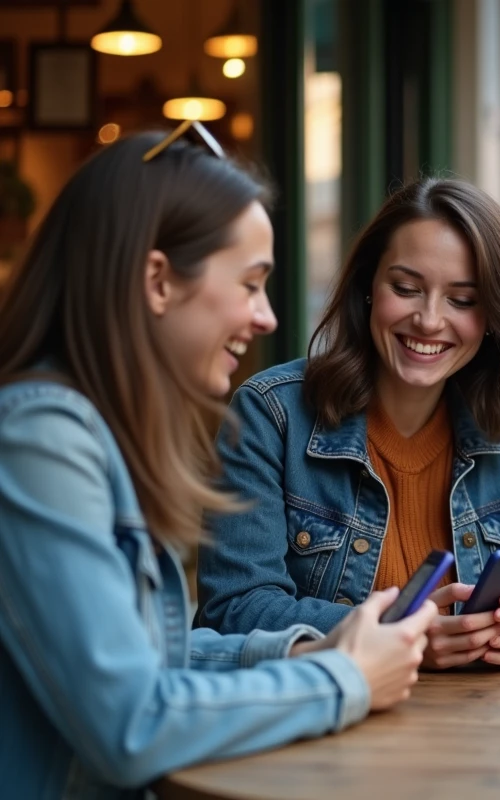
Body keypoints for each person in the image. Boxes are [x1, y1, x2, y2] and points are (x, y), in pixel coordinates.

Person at [0, 124, 436, 798]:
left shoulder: (94, 433)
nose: (266, 317)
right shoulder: (41, 441)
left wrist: (303, 650)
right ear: (157, 281)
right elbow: (130, 721)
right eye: (251, 283)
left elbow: (150, 656)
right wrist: (342, 681)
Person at [196, 177, 500, 668]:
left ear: (491, 316)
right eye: (406, 288)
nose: (429, 320)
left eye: (462, 300)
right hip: (320, 718)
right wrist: (399, 630)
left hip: (482, 725)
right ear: (368, 289)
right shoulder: (272, 413)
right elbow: (235, 607)